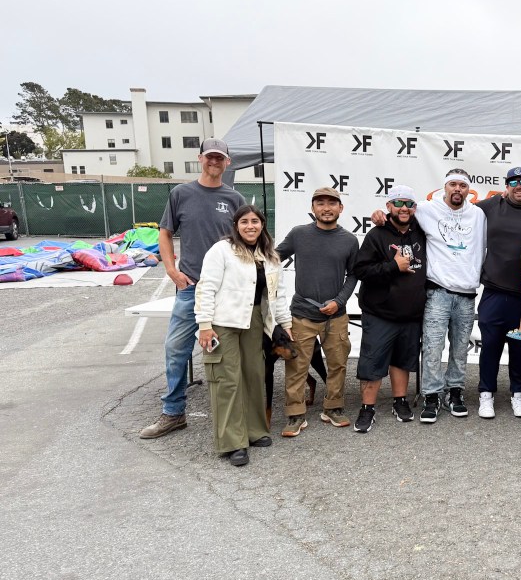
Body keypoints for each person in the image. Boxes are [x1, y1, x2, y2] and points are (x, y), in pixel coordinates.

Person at [141, 138, 245, 440]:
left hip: (227, 289)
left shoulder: (235, 198)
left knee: (230, 352)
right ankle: (173, 413)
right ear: (200, 159)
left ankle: (232, 414)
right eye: (210, 157)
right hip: (192, 287)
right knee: (176, 349)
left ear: (227, 163)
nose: (214, 162)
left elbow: (245, 240)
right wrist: (171, 270)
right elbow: (165, 232)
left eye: (220, 158)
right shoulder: (181, 193)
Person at [194, 205, 292, 466]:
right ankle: (232, 442)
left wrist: (284, 322)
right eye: (245, 222)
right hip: (223, 322)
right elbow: (206, 287)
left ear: (263, 225)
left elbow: (277, 293)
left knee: (253, 375)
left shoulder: (269, 256)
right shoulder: (222, 250)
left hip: (256, 320)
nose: (251, 226)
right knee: (228, 379)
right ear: (236, 225)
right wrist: (205, 323)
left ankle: (255, 430)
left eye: (256, 221)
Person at [275, 187, 359, 437]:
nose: (326, 208)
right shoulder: (299, 234)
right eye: (320, 203)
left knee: (337, 363)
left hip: (336, 315)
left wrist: (340, 300)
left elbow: (354, 274)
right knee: (297, 366)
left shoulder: (349, 240)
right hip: (302, 313)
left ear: (340, 208)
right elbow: (273, 258)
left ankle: (333, 407)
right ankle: (295, 414)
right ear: (313, 208)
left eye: (332, 203)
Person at [352, 186, 428, 433]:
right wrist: (392, 267)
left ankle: (400, 401)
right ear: (388, 206)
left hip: (411, 313)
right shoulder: (377, 234)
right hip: (380, 312)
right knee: (373, 362)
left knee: (402, 361)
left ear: (414, 208)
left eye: (409, 203)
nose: (403, 208)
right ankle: (367, 408)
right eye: (398, 203)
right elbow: (361, 270)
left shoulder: (424, 231)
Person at [415, 168, 487, 423]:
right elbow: (397, 213)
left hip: (467, 293)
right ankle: (431, 395)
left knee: (460, 349)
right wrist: (380, 214)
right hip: (438, 292)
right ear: (444, 187)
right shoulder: (426, 209)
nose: (458, 189)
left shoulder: (478, 214)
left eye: (463, 186)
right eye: (453, 185)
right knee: (434, 347)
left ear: (469, 190)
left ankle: (454, 392)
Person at [475, 167, 521, 419]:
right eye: (513, 181)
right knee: (490, 346)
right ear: (507, 185)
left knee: (520, 347)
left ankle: (518, 394)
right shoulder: (492, 205)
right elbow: (454, 211)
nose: (519, 185)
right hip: (493, 292)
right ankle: (486, 394)